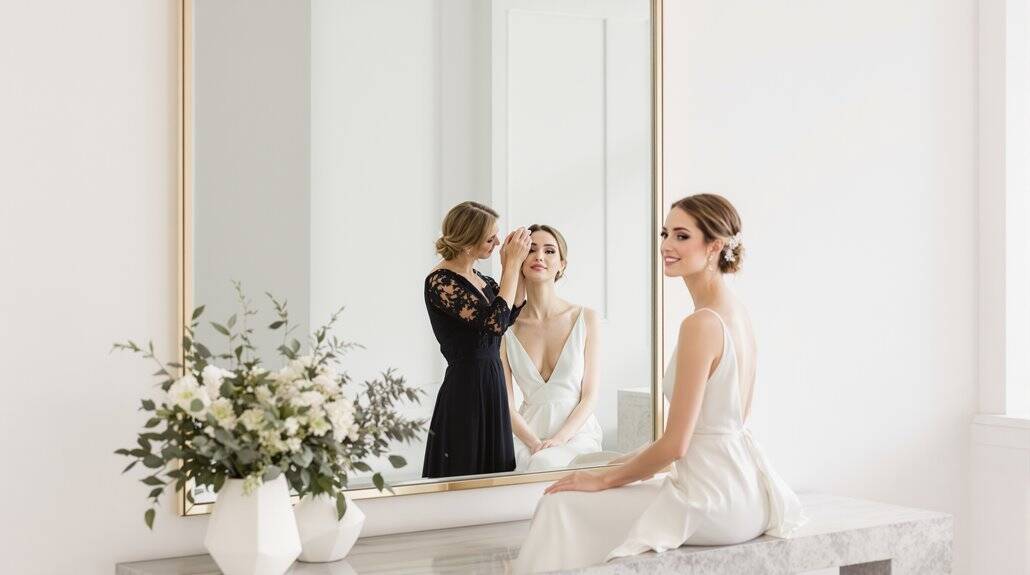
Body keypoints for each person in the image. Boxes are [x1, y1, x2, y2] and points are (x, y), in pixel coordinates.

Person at [513, 194, 807, 573]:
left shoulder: (702, 324)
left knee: (559, 504)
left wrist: (603, 480)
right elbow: (714, 428)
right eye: (665, 233)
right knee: (589, 476)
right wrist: (615, 464)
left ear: (715, 246)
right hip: (743, 488)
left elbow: (676, 445)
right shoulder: (734, 311)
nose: (667, 245)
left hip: (713, 499)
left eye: (682, 236)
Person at [422, 201, 531, 478]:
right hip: (466, 385)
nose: (497, 243)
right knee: (465, 464)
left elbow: (509, 314)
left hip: (492, 378)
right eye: (490, 238)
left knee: (494, 468)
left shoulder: (480, 278)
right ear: (468, 241)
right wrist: (509, 267)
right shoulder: (441, 281)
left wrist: (516, 267)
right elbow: (494, 323)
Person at [501, 224, 603, 472]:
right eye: (531, 250)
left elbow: (590, 396)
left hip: (576, 434)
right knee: (529, 462)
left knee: (544, 463)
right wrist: (535, 443)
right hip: (526, 435)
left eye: (549, 251)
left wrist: (559, 439)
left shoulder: (585, 318)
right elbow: (506, 405)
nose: (539, 256)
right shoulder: (505, 328)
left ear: (562, 264)